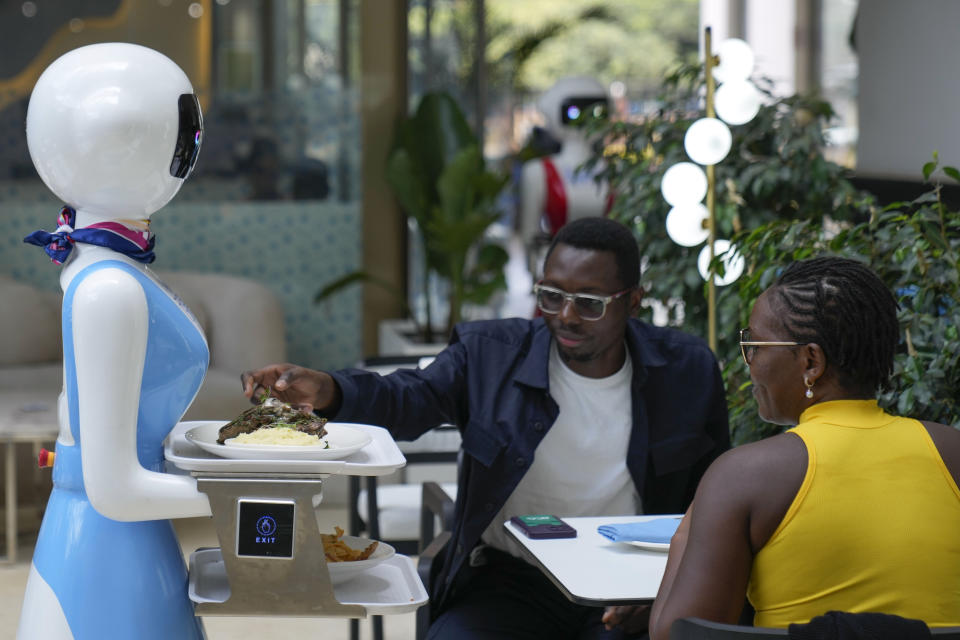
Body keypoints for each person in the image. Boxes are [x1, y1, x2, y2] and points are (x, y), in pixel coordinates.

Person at [242, 217, 730, 639]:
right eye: (551, 295)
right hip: (509, 580)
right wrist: (329, 389)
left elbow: (712, 503)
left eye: (589, 303)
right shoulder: (491, 355)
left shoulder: (686, 372)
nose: (565, 316)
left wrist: (667, 591)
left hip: (626, 587)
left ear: (634, 301)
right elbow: (408, 398)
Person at [648, 256, 960, 639]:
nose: (750, 363)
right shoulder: (952, 451)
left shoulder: (745, 477)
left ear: (811, 361)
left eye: (755, 346)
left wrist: (687, 530)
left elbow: (676, 634)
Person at [19, 44, 210, 639]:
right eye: (189, 135)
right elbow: (115, 487)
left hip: (121, 545)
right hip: (108, 550)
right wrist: (250, 490)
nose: (192, 150)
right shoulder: (109, 288)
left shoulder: (103, 274)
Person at [519, 76, 614, 279]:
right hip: (557, 278)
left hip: (605, 278)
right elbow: (530, 236)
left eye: (597, 112)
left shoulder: (614, 170)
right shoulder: (539, 171)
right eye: (573, 112)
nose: (584, 121)